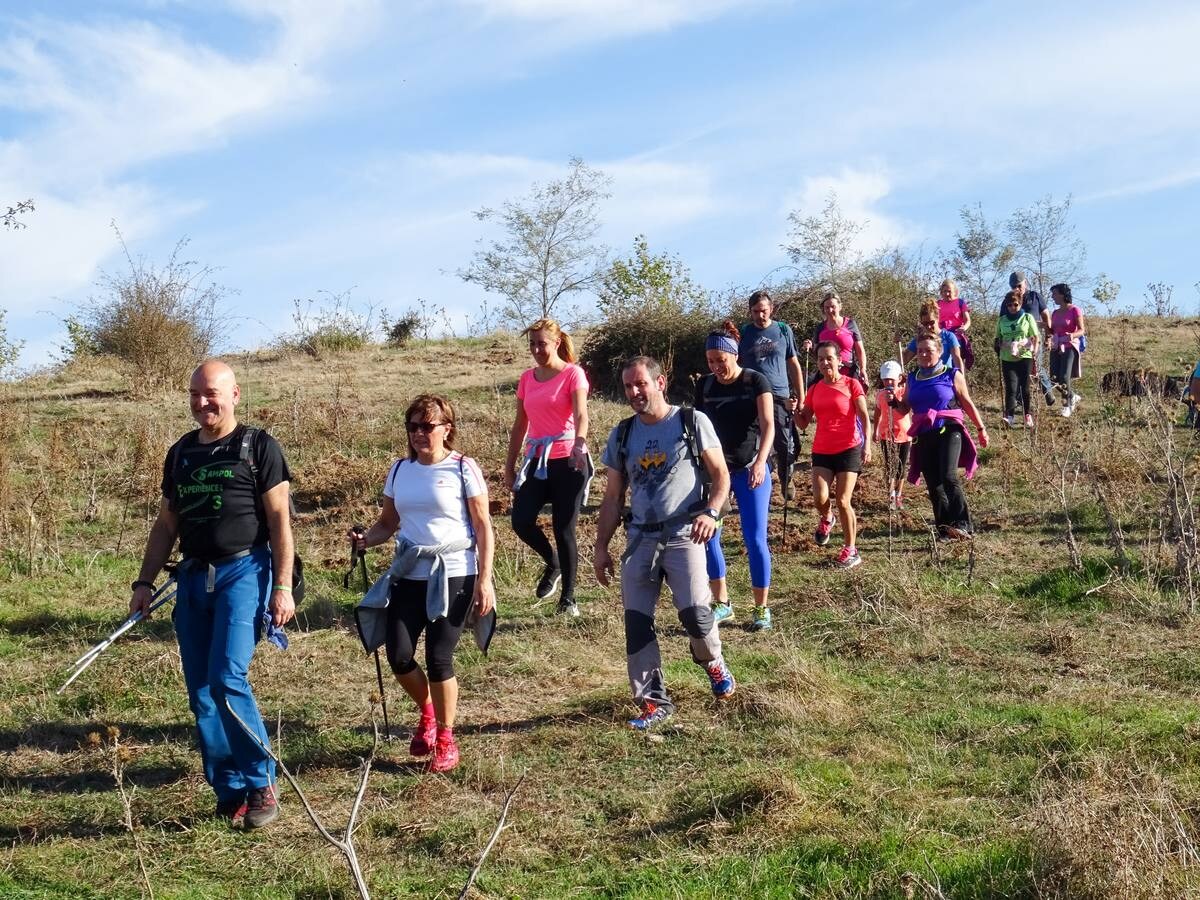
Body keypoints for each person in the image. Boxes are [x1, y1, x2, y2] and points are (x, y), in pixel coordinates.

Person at [129, 360, 295, 829]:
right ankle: (230, 790)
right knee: (200, 691)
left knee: (226, 677)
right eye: (195, 394)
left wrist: (281, 587)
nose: (204, 403)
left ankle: (261, 780)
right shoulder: (181, 453)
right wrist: (143, 583)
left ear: (235, 394)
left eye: (212, 394)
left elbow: (280, 521)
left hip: (244, 570)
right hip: (192, 579)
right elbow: (167, 524)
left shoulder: (257, 447)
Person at [349, 395, 496, 773]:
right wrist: (367, 538)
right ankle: (428, 714)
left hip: (455, 571)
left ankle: (446, 739)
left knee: (438, 658)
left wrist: (485, 580)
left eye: (426, 426)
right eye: (412, 427)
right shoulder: (400, 470)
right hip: (409, 572)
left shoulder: (464, 467)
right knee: (398, 654)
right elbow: (387, 523)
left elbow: (483, 526)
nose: (418, 434)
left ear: (447, 428)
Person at [594, 356, 736, 731]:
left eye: (640, 384)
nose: (634, 392)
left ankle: (712, 661)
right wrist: (600, 547)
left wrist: (712, 512)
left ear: (660, 382)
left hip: (684, 533)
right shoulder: (622, 435)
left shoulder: (692, 422)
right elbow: (612, 498)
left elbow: (721, 475)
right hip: (639, 537)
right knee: (637, 623)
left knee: (695, 615)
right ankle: (653, 703)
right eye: (628, 386)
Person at [504, 318, 590, 617]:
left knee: (563, 527)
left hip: (568, 459)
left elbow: (581, 415)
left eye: (542, 343)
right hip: (536, 460)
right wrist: (509, 464)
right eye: (532, 344)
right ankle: (552, 562)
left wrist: (580, 444)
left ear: (556, 343)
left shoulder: (572, 374)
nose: (537, 349)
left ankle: (568, 598)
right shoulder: (527, 379)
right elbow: (519, 426)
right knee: (521, 520)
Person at [694, 331, 775, 631]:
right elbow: (698, 428)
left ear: (735, 355)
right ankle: (722, 603)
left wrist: (761, 462)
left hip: (751, 468)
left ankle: (761, 608)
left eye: (721, 359)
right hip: (717, 473)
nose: (716, 366)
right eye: (711, 360)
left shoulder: (755, 382)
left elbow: (768, 426)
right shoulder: (704, 385)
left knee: (754, 539)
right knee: (709, 534)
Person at [892, 334, 989, 540]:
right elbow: (904, 409)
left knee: (948, 476)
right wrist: (894, 400)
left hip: (949, 428)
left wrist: (981, 428)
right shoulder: (912, 377)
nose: (924, 354)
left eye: (929, 350)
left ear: (940, 351)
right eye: (920, 351)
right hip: (923, 433)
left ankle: (963, 524)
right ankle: (945, 529)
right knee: (933, 482)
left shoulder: (951, 374)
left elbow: (967, 402)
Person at [795, 342, 872, 569]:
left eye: (829, 358)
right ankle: (827, 518)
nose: (824, 362)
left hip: (849, 447)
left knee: (843, 500)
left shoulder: (851, 384)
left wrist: (866, 446)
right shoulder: (815, 389)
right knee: (820, 498)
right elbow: (803, 423)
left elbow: (864, 417)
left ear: (839, 360)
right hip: (822, 449)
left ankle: (851, 549)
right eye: (820, 359)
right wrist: (793, 410)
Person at [736, 289, 804, 500]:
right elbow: (735, 364)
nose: (760, 315)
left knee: (784, 442)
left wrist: (801, 395)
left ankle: (786, 477)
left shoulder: (783, 331)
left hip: (778, 395)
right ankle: (751, 483)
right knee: (749, 442)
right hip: (750, 395)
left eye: (763, 311)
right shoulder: (744, 333)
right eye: (755, 311)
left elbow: (793, 363)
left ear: (771, 309)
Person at [1004, 271, 1054, 405]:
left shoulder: (1035, 297)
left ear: (1025, 283)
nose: (1017, 289)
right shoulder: (1008, 300)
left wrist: (1049, 336)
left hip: (1033, 338)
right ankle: (1020, 398)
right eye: (1014, 286)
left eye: (1019, 285)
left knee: (1036, 365)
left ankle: (1047, 391)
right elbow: (1002, 320)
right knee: (1019, 368)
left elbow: (1046, 317)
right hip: (1015, 341)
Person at [802, 290, 868, 387]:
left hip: (848, 370)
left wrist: (863, 369)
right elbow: (817, 353)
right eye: (827, 307)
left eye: (833, 307)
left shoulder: (850, 324)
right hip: (826, 372)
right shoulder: (820, 328)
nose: (830, 310)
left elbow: (860, 350)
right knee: (810, 388)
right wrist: (810, 346)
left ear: (840, 307)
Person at [995, 289, 1041, 427]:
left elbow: (1035, 336)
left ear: (1020, 304)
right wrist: (997, 346)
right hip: (1007, 357)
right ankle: (1009, 416)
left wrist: (1035, 351)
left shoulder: (1027, 318)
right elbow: (998, 337)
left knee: (1025, 387)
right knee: (1011, 387)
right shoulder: (1002, 320)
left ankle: (1027, 415)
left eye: (1015, 304)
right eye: (1009, 305)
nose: (1012, 308)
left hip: (1025, 356)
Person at [872, 360, 911, 510]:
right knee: (889, 466)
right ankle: (890, 496)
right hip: (886, 434)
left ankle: (899, 493)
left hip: (904, 434)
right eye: (885, 379)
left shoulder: (904, 392)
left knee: (901, 466)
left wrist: (896, 397)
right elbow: (877, 413)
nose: (888, 382)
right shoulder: (880, 395)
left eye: (891, 379)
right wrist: (875, 430)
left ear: (899, 378)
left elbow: (905, 409)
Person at [1048, 283, 1086, 418]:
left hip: (1070, 346)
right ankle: (1073, 396)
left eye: (1054, 294)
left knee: (1064, 377)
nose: (1052, 297)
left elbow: (1082, 330)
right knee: (1053, 379)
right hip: (1056, 346)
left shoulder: (1075, 310)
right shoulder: (1055, 313)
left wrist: (1072, 335)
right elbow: (1052, 330)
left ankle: (1067, 405)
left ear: (1063, 295)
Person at [902, 299, 964, 371]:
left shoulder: (949, 336)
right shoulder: (919, 339)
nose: (928, 326)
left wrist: (961, 378)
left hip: (944, 378)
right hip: (924, 378)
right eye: (925, 324)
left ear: (937, 318)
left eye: (931, 322)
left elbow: (957, 358)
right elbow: (904, 360)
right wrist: (897, 343)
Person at [937, 278, 974, 370]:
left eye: (949, 291)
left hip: (956, 337)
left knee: (957, 364)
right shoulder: (938, 304)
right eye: (944, 291)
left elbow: (967, 320)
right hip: (942, 338)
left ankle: (960, 382)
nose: (947, 294)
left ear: (954, 292)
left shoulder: (960, 303)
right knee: (942, 364)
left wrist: (964, 328)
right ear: (941, 292)